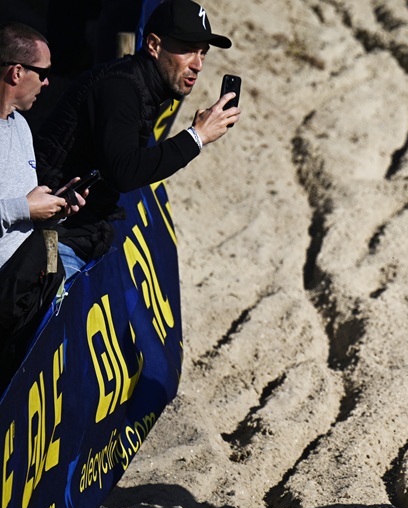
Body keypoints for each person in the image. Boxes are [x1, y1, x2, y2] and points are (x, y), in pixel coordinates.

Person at [35, 0, 239, 279]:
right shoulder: (121, 88)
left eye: (203, 53)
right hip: (51, 236)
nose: (198, 65)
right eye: (188, 50)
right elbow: (125, 171)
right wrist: (196, 137)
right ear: (153, 45)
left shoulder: (143, 86)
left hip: (76, 231)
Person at [0, 22, 85, 391]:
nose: (48, 82)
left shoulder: (21, 126)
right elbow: (20, 208)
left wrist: (56, 204)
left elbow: (26, 204)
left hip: (28, 284)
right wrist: (25, 208)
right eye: (43, 72)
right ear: (17, 72)